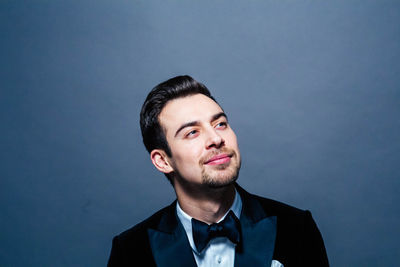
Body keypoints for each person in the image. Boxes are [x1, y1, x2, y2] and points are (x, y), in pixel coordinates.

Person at [107, 75, 329, 267]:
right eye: (192, 132)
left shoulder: (297, 228)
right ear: (163, 161)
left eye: (220, 124)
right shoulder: (130, 251)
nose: (215, 138)